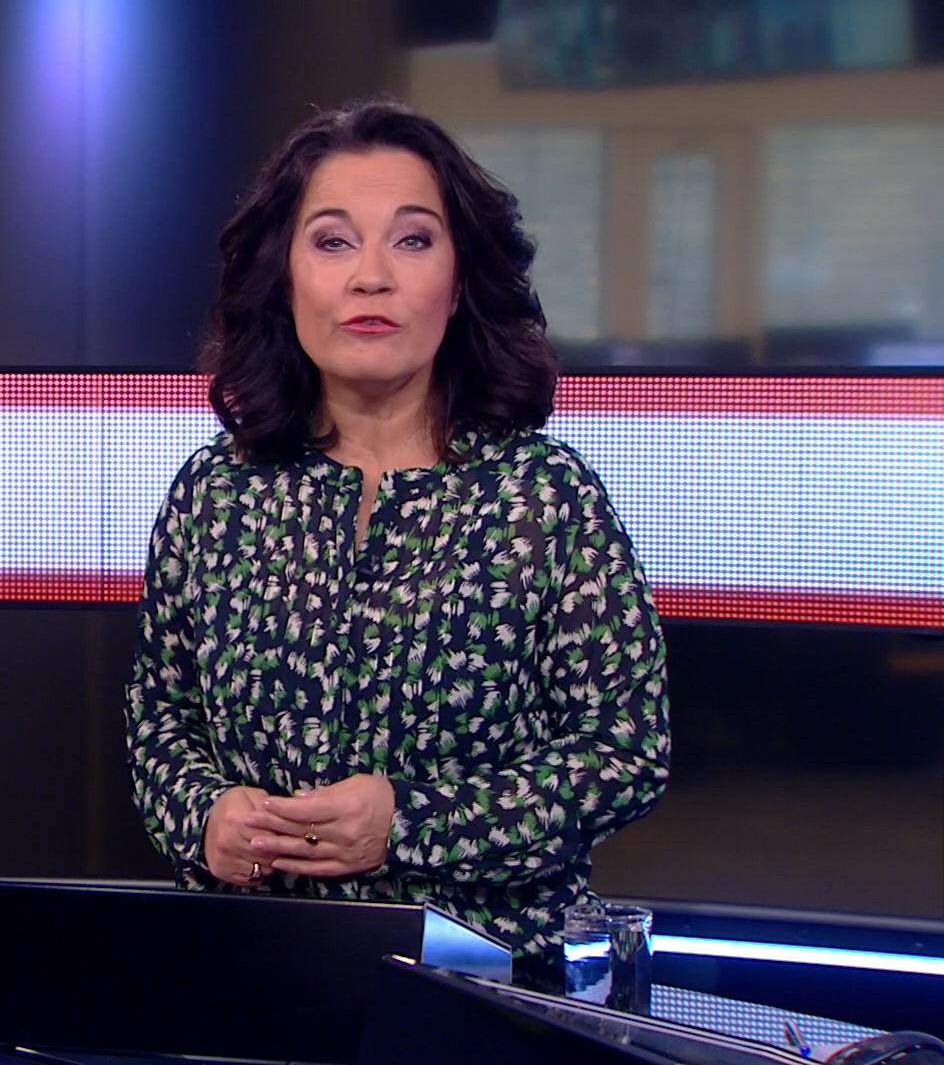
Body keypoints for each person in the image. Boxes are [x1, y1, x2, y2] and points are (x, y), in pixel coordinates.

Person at [124, 97, 670, 988]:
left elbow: (624, 753)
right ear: (285, 277)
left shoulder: (543, 496)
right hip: (248, 971)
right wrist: (204, 817)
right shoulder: (216, 491)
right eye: (333, 242)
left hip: (480, 989)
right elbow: (160, 716)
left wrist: (411, 822)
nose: (370, 277)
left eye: (412, 240)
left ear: (458, 283)